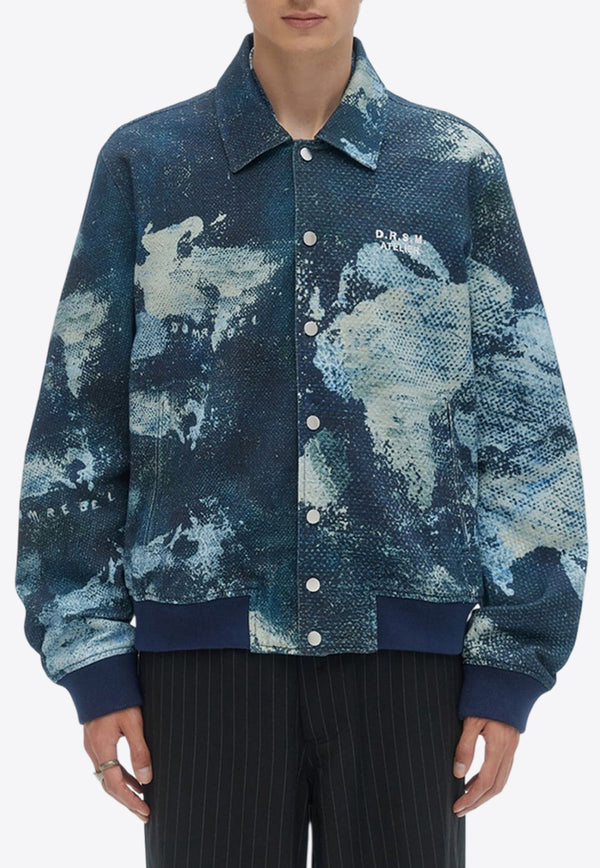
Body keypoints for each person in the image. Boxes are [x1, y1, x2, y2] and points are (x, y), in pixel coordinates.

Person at [14, 1, 588, 866]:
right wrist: (90, 653)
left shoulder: (452, 165)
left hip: (410, 671)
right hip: (200, 670)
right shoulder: (147, 163)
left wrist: (513, 662)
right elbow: (78, 420)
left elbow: (526, 430)